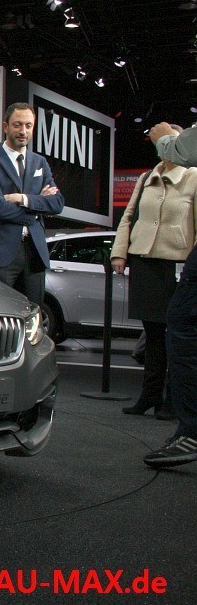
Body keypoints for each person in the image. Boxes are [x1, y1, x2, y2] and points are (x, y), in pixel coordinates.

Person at [110, 157, 197, 420]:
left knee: (178, 336)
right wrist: (119, 252)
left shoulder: (193, 176)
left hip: (178, 264)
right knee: (153, 335)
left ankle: (174, 398)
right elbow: (128, 216)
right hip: (144, 261)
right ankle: (150, 395)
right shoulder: (147, 177)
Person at [142, 122, 197, 467]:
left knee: (183, 325)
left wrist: (164, 137)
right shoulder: (147, 178)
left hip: (179, 258)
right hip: (152, 261)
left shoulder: (189, 175)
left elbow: (183, 149)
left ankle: (192, 430)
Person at [0, 102, 64, 306]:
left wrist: (23, 199)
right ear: (5, 127)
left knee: (33, 315)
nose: (23, 131)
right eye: (17, 125)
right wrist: (37, 209)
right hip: (0, 253)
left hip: (35, 253)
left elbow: (57, 203)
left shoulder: (40, 162)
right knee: (0, 315)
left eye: (28, 125)